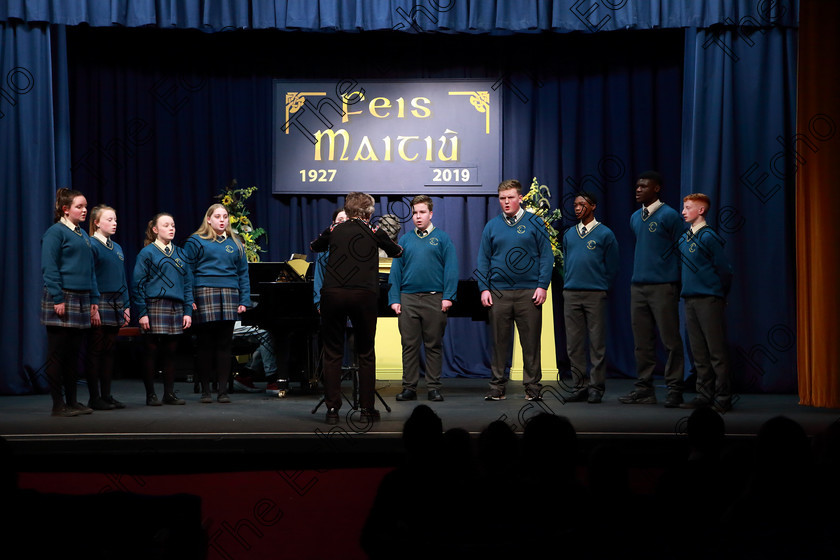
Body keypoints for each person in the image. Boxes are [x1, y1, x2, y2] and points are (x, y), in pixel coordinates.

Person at [310, 192, 402, 424]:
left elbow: (315, 246)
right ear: (368, 212)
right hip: (364, 296)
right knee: (366, 353)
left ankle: (332, 411)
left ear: (348, 210)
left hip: (333, 295)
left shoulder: (334, 229)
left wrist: (332, 231)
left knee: (332, 353)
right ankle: (367, 410)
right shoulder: (372, 230)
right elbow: (396, 252)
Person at [477, 179, 554, 402]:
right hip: (498, 292)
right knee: (499, 342)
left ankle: (532, 386)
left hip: (528, 292)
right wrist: (484, 288)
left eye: (511, 197)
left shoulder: (535, 222)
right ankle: (497, 387)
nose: (507, 202)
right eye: (502, 198)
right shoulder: (492, 226)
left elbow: (546, 256)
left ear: (520, 198)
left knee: (530, 342)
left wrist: (542, 285)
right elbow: (483, 259)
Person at [619, 171, 686, 407]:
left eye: (643, 186)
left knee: (670, 340)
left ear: (656, 189)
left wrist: (677, 283)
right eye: (637, 186)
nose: (638, 189)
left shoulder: (670, 216)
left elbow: (683, 251)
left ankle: (675, 388)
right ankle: (644, 389)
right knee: (642, 342)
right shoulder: (635, 217)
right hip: (639, 287)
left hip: (663, 286)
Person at [389, 195, 458, 402]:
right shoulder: (405, 239)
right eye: (414, 213)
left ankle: (434, 387)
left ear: (430, 214)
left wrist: (448, 297)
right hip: (408, 299)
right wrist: (394, 298)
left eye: (422, 212)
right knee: (409, 345)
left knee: (433, 345)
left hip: (434, 299)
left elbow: (451, 269)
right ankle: (409, 387)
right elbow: (396, 271)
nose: (417, 217)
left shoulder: (443, 238)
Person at [183, 204, 252, 404]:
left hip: (229, 293)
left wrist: (244, 299)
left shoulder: (236, 243)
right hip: (204, 292)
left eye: (225, 216)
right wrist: (190, 299)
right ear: (209, 220)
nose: (222, 220)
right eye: (218, 216)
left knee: (224, 344)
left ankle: (222, 391)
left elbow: (243, 273)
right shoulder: (196, 241)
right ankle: (206, 391)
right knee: (205, 344)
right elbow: (187, 272)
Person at [40, 188, 100, 416]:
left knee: (74, 354)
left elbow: (91, 270)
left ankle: (73, 401)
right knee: (58, 353)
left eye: (85, 206)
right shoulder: (56, 233)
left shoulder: (83, 235)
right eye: (79, 207)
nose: (84, 210)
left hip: (83, 298)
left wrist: (94, 298)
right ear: (65, 209)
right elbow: (49, 266)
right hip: (63, 296)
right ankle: (58, 404)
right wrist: (57, 297)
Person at [561, 191, 619, 404]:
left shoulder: (605, 234)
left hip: (595, 294)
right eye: (575, 205)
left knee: (596, 343)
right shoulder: (569, 234)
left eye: (582, 204)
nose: (577, 208)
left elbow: (612, 266)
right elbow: (567, 262)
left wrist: (603, 287)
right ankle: (580, 386)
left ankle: (596, 387)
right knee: (574, 345)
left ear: (593, 206)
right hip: (571, 293)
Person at [678, 193, 734, 411]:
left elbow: (725, 270)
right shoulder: (684, 238)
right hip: (690, 300)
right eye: (683, 207)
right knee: (698, 350)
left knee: (716, 351)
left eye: (688, 207)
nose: (683, 211)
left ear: (700, 210)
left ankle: (723, 396)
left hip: (708, 300)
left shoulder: (709, 237)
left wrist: (719, 295)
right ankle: (704, 394)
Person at [132, 213, 193, 405]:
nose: (171, 228)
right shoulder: (148, 253)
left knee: (170, 352)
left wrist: (187, 311)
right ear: (155, 230)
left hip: (175, 306)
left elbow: (188, 283)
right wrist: (142, 312)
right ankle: (151, 394)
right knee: (151, 351)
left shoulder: (181, 253)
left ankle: (169, 394)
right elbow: (138, 283)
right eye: (166, 225)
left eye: (173, 225)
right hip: (155, 305)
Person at [87, 205, 130, 410]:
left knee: (109, 351)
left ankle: (107, 394)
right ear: (96, 222)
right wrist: (92, 306)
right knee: (96, 350)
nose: (114, 223)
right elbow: (90, 276)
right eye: (109, 220)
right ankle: (94, 397)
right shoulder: (91, 245)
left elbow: (122, 278)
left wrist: (127, 305)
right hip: (100, 300)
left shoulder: (118, 248)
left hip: (116, 301)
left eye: (115, 220)